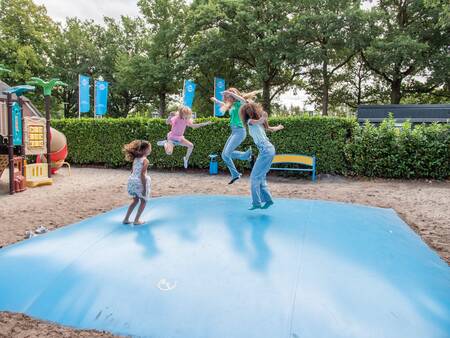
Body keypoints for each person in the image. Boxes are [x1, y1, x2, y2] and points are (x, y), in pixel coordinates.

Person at [211, 88, 260, 184]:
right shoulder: (232, 105)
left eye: (230, 95)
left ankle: (246, 156)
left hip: (240, 132)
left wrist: (230, 93)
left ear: (234, 96)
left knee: (226, 154)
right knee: (224, 156)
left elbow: (242, 100)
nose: (228, 97)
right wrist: (216, 101)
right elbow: (223, 105)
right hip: (234, 132)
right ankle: (236, 173)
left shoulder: (241, 105)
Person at [239, 102, 284, 210]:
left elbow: (263, 123)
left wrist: (264, 117)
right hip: (267, 150)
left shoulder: (252, 121)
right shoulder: (252, 122)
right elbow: (269, 127)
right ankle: (268, 200)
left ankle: (256, 203)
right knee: (261, 177)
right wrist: (278, 127)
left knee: (254, 177)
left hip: (266, 150)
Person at [122, 140, 152, 225]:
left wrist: (133, 182)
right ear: (144, 150)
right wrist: (144, 187)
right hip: (139, 182)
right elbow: (142, 174)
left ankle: (126, 219)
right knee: (143, 201)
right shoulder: (145, 160)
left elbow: (132, 171)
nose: (150, 150)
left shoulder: (135, 159)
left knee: (135, 200)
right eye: (149, 148)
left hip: (132, 181)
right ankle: (136, 220)